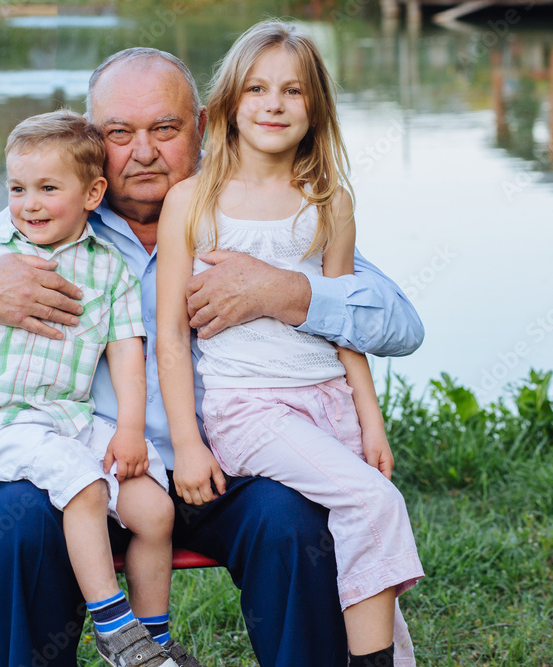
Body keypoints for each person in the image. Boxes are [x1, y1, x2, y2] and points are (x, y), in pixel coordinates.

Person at [0, 46, 424, 667]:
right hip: (92, 471)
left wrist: (287, 291)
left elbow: (398, 324)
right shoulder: (42, 221)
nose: (144, 151)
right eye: (118, 133)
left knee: (291, 521)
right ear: (91, 142)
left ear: (204, 126)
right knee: (18, 521)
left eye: (164, 129)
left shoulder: (250, 207)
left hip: (226, 464)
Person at [156, 21, 423, 667]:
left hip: (328, 400)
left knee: (358, 535)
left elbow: (345, 323)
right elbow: (170, 332)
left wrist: (371, 417)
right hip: (251, 408)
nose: (274, 104)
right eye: (257, 88)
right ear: (227, 105)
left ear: (317, 108)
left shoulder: (329, 202)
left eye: (293, 91)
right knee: (375, 503)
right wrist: (188, 443)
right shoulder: (193, 201)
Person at [0, 110, 196, 667]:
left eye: (48, 189)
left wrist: (129, 431)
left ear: (93, 192)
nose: (30, 204)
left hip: (67, 419)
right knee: (85, 484)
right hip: (0, 420)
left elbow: (127, 356)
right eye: (18, 189)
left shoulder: (108, 270)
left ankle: (155, 639)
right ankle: (115, 629)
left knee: (153, 508)